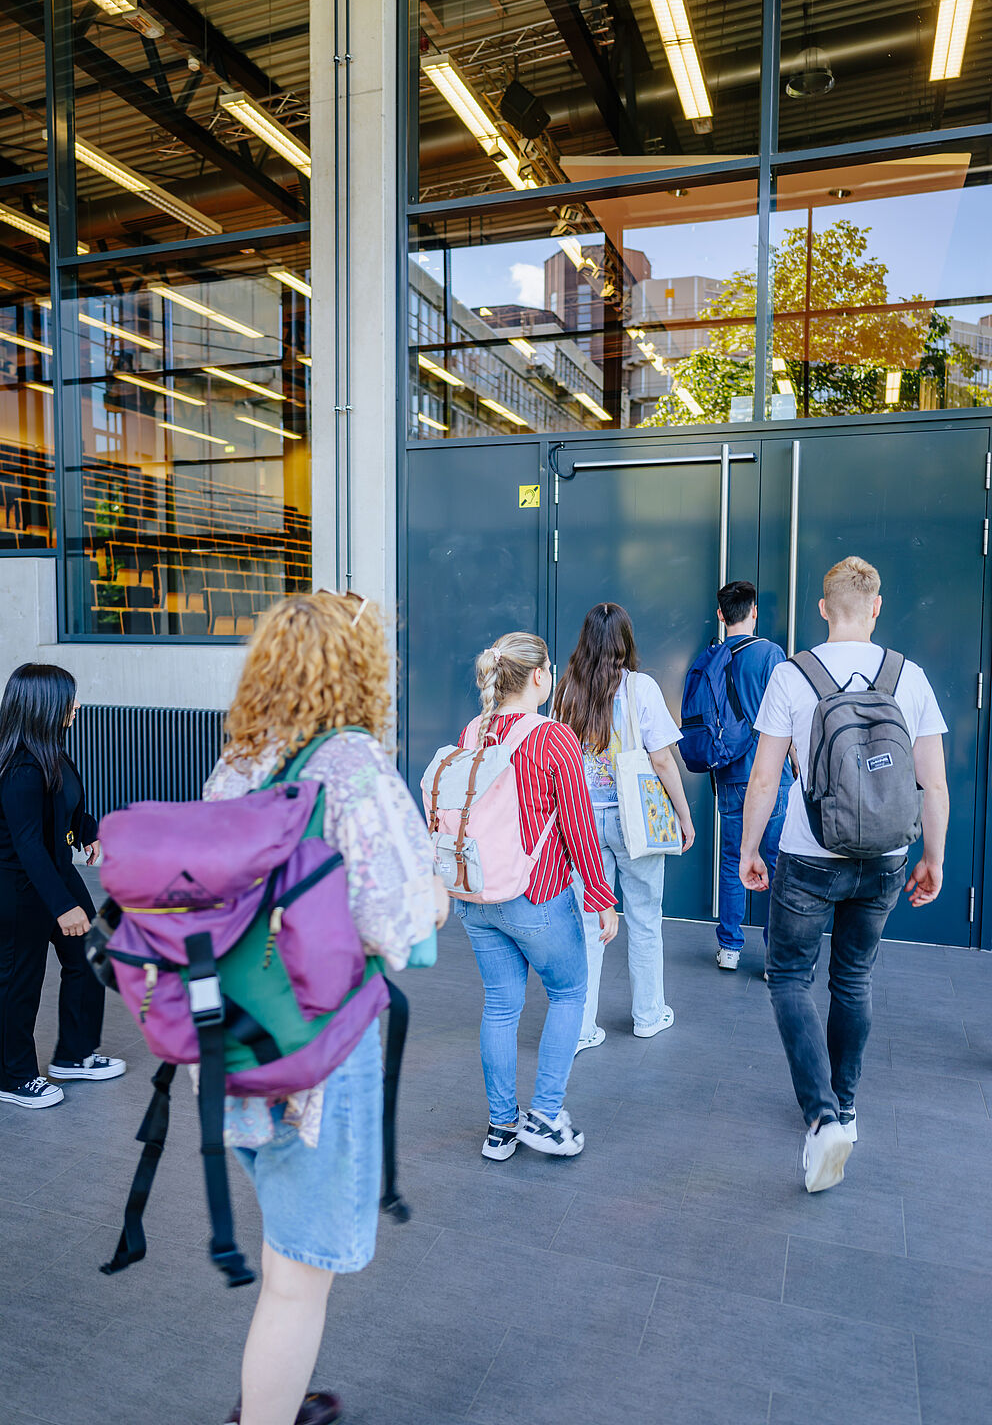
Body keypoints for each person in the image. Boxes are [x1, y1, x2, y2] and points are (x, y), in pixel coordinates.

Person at [204, 592, 446, 1425]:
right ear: (360, 670)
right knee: (298, 1278)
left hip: (234, 1040)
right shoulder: (352, 767)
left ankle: (274, 1396)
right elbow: (400, 917)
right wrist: (437, 899)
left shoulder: (240, 762)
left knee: (284, 1251)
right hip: (318, 1054)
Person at [739, 557, 949, 1193]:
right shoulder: (908, 676)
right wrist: (932, 858)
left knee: (787, 979)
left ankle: (822, 1115)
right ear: (877, 606)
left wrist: (751, 847)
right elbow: (932, 783)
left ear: (822, 608)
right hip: (885, 857)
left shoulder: (792, 674)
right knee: (852, 979)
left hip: (808, 855)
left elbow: (767, 776)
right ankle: (848, 1108)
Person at [454, 631, 617, 1160]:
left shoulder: (473, 731)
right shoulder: (553, 738)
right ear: (540, 677)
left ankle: (501, 1128)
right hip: (536, 895)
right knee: (569, 993)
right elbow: (578, 828)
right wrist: (600, 898)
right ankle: (546, 1116)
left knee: (500, 1006)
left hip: (477, 896)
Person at [554, 604, 695, 1052]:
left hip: (583, 822)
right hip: (636, 821)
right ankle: (648, 1016)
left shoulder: (566, 692)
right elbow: (661, 759)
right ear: (626, 641)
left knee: (588, 923)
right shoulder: (641, 688)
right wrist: (684, 816)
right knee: (645, 919)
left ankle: (579, 1027)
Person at [0, 663, 125, 1109]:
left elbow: (67, 808)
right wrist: (62, 906)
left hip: (56, 871)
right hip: (18, 886)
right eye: (71, 697)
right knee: (19, 982)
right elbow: (28, 844)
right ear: (45, 704)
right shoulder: (20, 768)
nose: (78, 704)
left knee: (88, 956)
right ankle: (13, 1077)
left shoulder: (52, 749)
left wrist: (87, 829)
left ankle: (73, 1055)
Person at [710, 579, 794, 972]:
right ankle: (773, 956)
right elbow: (786, 717)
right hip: (771, 775)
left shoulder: (712, 657)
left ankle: (729, 948)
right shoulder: (772, 654)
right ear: (754, 612)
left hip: (729, 774)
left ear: (721, 615)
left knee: (732, 859)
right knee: (776, 863)